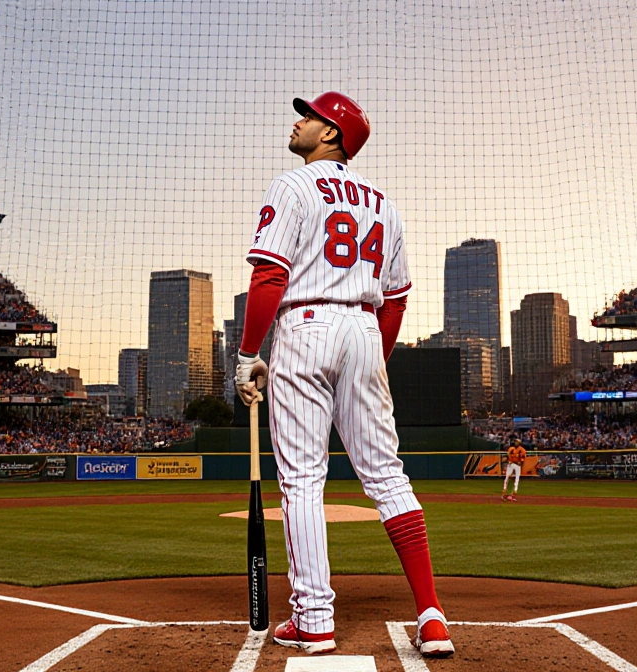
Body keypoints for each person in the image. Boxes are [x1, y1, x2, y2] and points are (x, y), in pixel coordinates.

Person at [235, 91, 453, 658]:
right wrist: (372, 362)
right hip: (363, 327)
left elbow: (268, 278)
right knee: (387, 475)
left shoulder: (292, 184)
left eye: (309, 116)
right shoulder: (386, 203)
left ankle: (315, 619)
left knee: (303, 481)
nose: (298, 121)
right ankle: (431, 615)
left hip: (304, 326)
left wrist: (247, 354)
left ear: (331, 134)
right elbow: (397, 301)